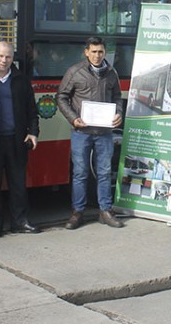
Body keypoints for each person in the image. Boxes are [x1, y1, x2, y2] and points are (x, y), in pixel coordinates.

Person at [57, 36, 124, 230]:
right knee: (80, 174)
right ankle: (77, 213)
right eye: (93, 52)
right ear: (86, 52)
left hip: (104, 133)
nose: (97, 55)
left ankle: (105, 211)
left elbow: (118, 97)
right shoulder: (75, 72)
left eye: (101, 52)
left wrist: (119, 113)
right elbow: (61, 97)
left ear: (105, 52)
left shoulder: (111, 73)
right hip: (81, 132)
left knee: (103, 173)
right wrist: (73, 118)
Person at [0, 40, 40, 238]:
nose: (4, 60)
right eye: (0, 56)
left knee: (18, 184)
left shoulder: (20, 79)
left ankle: (20, 221)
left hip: (16, 140)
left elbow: (32, 110)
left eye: (8, 56)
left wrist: (33, 132)